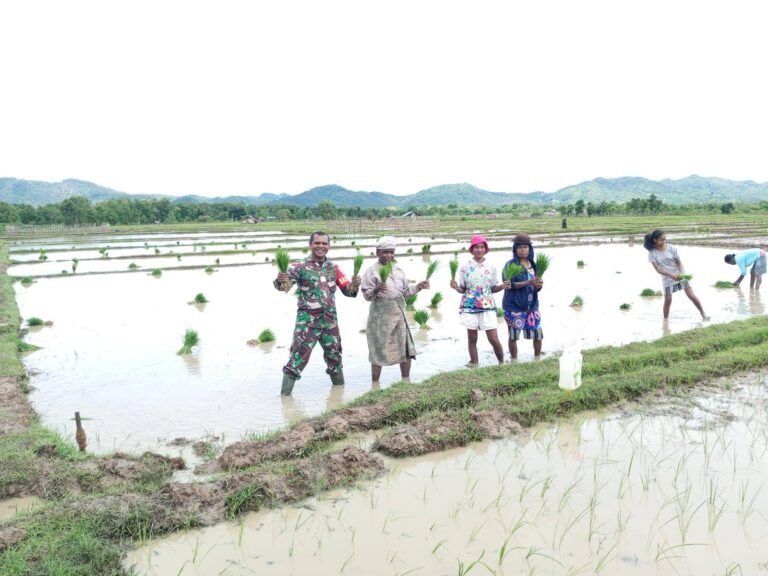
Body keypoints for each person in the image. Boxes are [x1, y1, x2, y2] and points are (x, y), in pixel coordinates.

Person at [274, 231, 361, 396]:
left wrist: (355, 285)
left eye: (324, 243)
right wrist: (281, 280)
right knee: (296, 360)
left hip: (330, 323)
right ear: (310, 245)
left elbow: (348, 291)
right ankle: (284, 400)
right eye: (317, 243)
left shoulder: (333, 268)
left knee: (335, 358)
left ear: (329, 246)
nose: (321, 246)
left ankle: (338, 396)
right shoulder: (299, 267)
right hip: (308, 324)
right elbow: (284, 287)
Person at [360, 236, 429, 385]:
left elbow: (405, 292)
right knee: (378, 348)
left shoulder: (398, 270)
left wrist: (418, 287)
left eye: (391, 252)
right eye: (385, 252)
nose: (389, 255)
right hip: (381, 316)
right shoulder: (372, 271)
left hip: (399, 312)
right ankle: (375, 385)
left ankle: (405, 381)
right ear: (377, 252)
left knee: (405, 348)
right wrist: (376, 289)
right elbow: (366, 296)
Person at [449, 234, 505, 366]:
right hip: (469, 305)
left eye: (482, 247)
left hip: (487, 306)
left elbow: (493, 288)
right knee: (472, 338)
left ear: (485, 249)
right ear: (472, 249)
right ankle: (474, 363)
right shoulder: (464, 267)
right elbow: (463, 289)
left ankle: (501, 363)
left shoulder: (491, 267)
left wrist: (503, 286)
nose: (479, 250)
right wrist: (456, 287)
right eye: (476, 247)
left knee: (493, 338)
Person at [644, 229, 708, 320]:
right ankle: (665, 321)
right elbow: (658, 269)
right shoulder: (652, 253)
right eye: (661, 240)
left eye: (665, 239)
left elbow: (679, 262)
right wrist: (670, 275)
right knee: (668, 301)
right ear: (655, 240)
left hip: (680, 275)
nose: (664, 241)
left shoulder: (671, 248)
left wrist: (681, 273)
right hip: (667, 279)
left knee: (691, 296)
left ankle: (703, 314)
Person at [502, 233, 544, 359]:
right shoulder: (510, 265)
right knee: (513, 336)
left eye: (526, 247)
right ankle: (514, 360)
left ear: (530, 249)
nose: (523, 250)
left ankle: (537, 358)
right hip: (514, 306)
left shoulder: (534, 264)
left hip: (532, 306)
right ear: (515, 249)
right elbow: (508, 285)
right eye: (520, 247)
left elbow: (537, 287)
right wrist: (528, 282)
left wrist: (539, 285)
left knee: (538, 334)